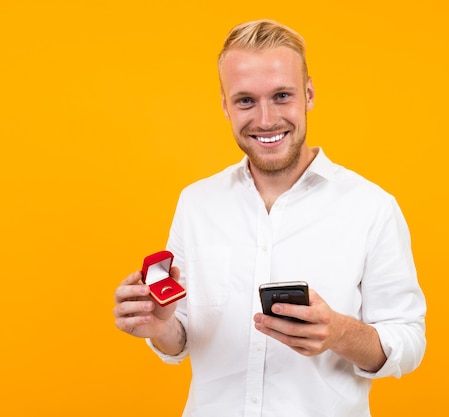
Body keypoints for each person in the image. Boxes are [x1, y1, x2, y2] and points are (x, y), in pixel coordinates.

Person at [113, 19, 426, 417]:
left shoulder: (372, 207)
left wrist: (341, 334)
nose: (265, 119)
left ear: (308, 94)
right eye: (245, 100)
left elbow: (409, 340)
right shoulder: (196, 203)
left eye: (282, 95)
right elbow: (184, 336)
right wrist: (160, 328)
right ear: (225, 105)